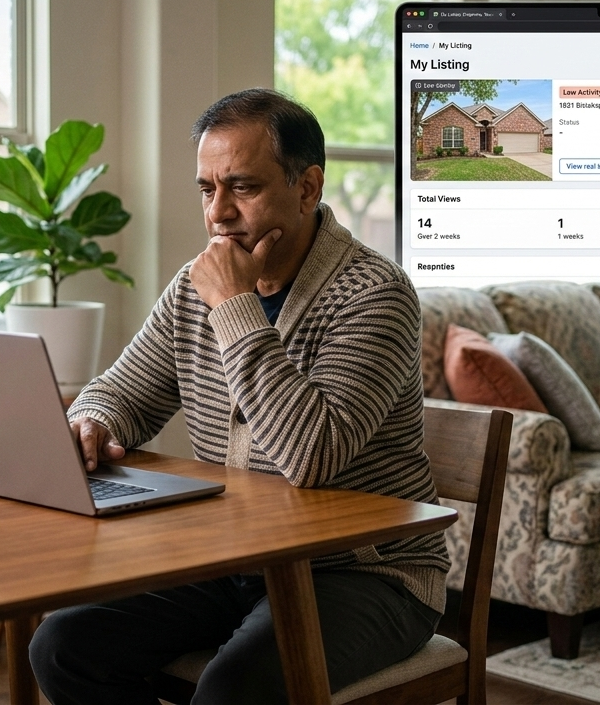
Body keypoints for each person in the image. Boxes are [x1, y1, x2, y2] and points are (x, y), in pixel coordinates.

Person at [29, 89, 448, 705]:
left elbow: (311, 456)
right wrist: (93, 417)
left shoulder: (376, 294)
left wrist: (235, 307)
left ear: (307, 188)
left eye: (242, 187)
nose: (218, 213)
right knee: (63, 646)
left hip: (367, 574)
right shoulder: (193, 288)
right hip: (238, 560)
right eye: (207, 189)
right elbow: (124, 391)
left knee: (235, 689)